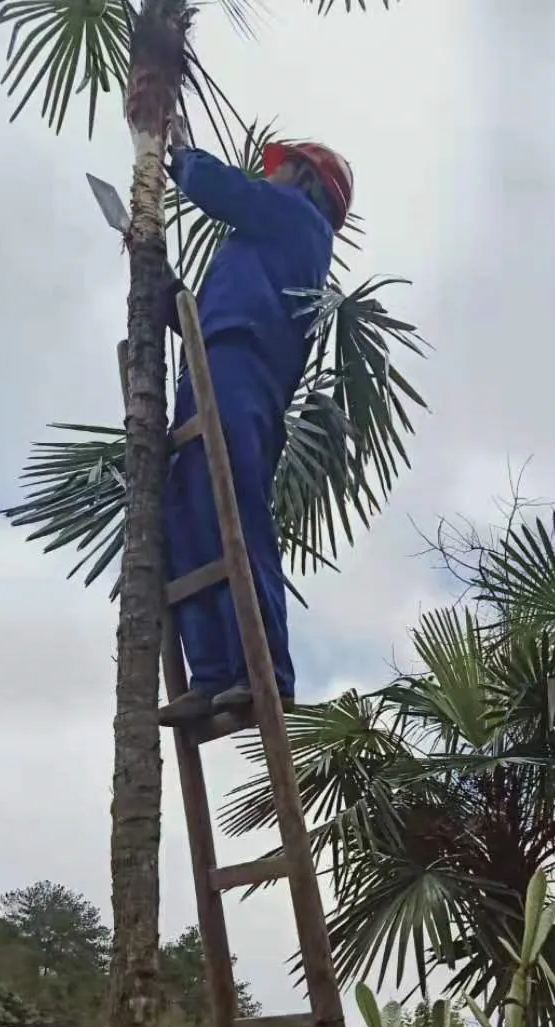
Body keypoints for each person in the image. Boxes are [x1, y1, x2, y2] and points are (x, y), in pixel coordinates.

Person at [157, 118, 353, 726]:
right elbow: (220, 303)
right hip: (214, 355)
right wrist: (166, 296)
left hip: (244, 365)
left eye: (280, 165)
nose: (269, 172)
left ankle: (263, 669)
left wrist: (183, 156)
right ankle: (214, 674)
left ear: (306, 180)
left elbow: (224, 190)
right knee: (188, 511)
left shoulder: (298, 220)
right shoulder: (264, 242)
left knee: (233, 506)